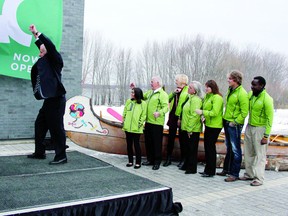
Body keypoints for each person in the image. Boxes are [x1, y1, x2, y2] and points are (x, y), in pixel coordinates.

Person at [27, 24, 67, 165]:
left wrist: (38, 33)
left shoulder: (56, 61)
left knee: (56, 129)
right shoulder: (45, 59)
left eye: (41, 51)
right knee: (40, 124)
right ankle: (40, 152)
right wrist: (35, 36)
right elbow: (43, 47)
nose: (39, 53)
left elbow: (49, 46)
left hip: (57, 100)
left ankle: (61, 156)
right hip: (49, 101)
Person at [239, 76, 274, 186]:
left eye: (254, 85)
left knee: (260, 155)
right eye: (252, 84)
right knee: (248, 152)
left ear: (261, 86)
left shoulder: (267, 99)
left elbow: (270, 119)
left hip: (260, 128)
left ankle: (259, 178)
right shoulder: (251, 95)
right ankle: (249, 174)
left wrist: (266, 136)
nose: (252, 87)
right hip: (250, 126)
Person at [218, 70, 249, 182]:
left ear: (236, 80)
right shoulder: (231, 90)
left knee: (236, 149)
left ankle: (234, 173)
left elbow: (244, 111)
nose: (228, 80)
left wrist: (235, 121)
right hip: (227, 121)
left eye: (230, 78)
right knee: (229, 147)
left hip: (234, 124)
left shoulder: (242, 93)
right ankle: (226, 169)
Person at [195, 80, 223, 177]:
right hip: (208, 124)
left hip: (215, 126)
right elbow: (207, 109)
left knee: (210, 147)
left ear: (213, 88)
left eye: (208, 87)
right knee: (207, 147)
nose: (206, 89)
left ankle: (211, 171)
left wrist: (202, 112)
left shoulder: (217, 98)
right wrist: (204, 116)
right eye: (206, 87)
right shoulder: (208, 97)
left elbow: (215, 112)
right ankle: (207, 169)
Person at [141, 76, 169, 170]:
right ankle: (150, 159)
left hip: (157, 123)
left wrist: (159, 113)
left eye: (152, 82)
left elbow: (166, 107)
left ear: (158, 83)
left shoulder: (162, 94)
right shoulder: (150, 93)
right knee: (148, 142)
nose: (150, 83)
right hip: (148, 121)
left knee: (156, 143)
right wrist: (133, 89)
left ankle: (157, 162)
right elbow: (141, 96)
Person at [163, 74, 189, 167]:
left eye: (177, 80)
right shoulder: (176, 91)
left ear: (182, 81)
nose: (175, 81)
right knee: (171, 138)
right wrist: (173, 93)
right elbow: (167, 99)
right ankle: (168, 158)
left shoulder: (186, 91)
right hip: (173, 116)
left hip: (181, 117)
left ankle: (183, 159)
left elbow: (182, 105)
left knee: (183, 139)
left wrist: (179, 117)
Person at [179, 81, 204, 174]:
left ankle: (192, 168)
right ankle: (187, 164)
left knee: (192, 149)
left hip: (193, 129)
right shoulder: (190, 98)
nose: (188, 89)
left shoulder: (196, 100)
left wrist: (189, 129)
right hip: (186, 127)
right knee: (187, 148)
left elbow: (194, 115)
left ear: (195, 91)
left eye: (190, 88)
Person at [122, 87, 147, 169]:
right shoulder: (129, 101)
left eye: (133, 93)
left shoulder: (143, 103)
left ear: (137, 94)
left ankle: (138, 162)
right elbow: (125, 112)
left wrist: (139, 124)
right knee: (129, 145)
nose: (131, 94)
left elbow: (143, 115)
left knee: (136, 145)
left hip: (136, 129)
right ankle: (130, 161)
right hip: (128, 128)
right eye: (131, 92)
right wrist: (124, 121)